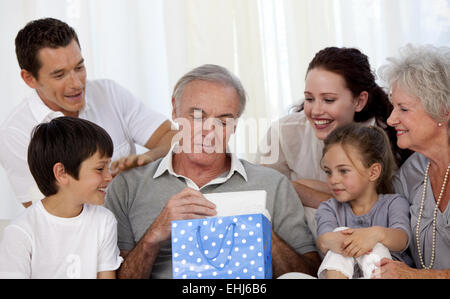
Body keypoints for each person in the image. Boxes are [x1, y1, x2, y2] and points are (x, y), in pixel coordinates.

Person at [105, 64, 321, 279]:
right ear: (175, 110)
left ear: (235, 125)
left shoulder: (273, 185)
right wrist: (153, 236)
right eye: (197, 116)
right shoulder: (128, 186)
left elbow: (308, 274)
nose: (209, 131)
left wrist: (265, 235)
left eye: (223, 121)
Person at [0, 18, 176, 208]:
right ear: (29, 79)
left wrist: (148, 158)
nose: (76, 84)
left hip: (137, 214)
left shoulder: (109, 93)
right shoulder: (16, 134)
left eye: (79, 67)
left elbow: (172, 137)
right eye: (59, 75)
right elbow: (44, 213)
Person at [257, 47, 412, 238]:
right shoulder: (283, 133)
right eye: (309, 99)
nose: (315, 111)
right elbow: (266, 195)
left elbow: (376, 210)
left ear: (359, 101)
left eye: (329, 100)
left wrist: (298, 189)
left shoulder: (387, 135)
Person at [0, 117, 123, 278]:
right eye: (100, 168)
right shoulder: (21, 232)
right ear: (62, 173)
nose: (109, 177)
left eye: (108, 166)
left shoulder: (104, 221)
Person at [375, 44, 450, 279]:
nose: (391, 119)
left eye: (403, 109)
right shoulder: (414, 170)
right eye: (393, 107)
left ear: (443, 110)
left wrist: (416, 277)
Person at [315, 124, 413, 279]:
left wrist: (375, 235)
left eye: (343, 171)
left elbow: (402, 239)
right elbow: (324, 240)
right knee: (337, 235)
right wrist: (341, 240)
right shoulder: (329, 208)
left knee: (375, 246)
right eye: (328, 172)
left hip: (386, 274)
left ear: (373, 172)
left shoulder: (394, 203)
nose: (333, 180)